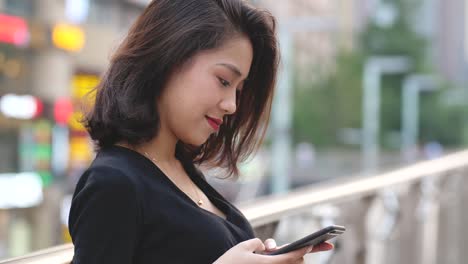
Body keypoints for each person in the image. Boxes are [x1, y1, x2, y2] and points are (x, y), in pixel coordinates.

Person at [68, 0, 333, 263]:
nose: (232, 105)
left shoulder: (179, 169)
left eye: (238, 90)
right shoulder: (114, 184)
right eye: (224, 81)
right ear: (169, 57)